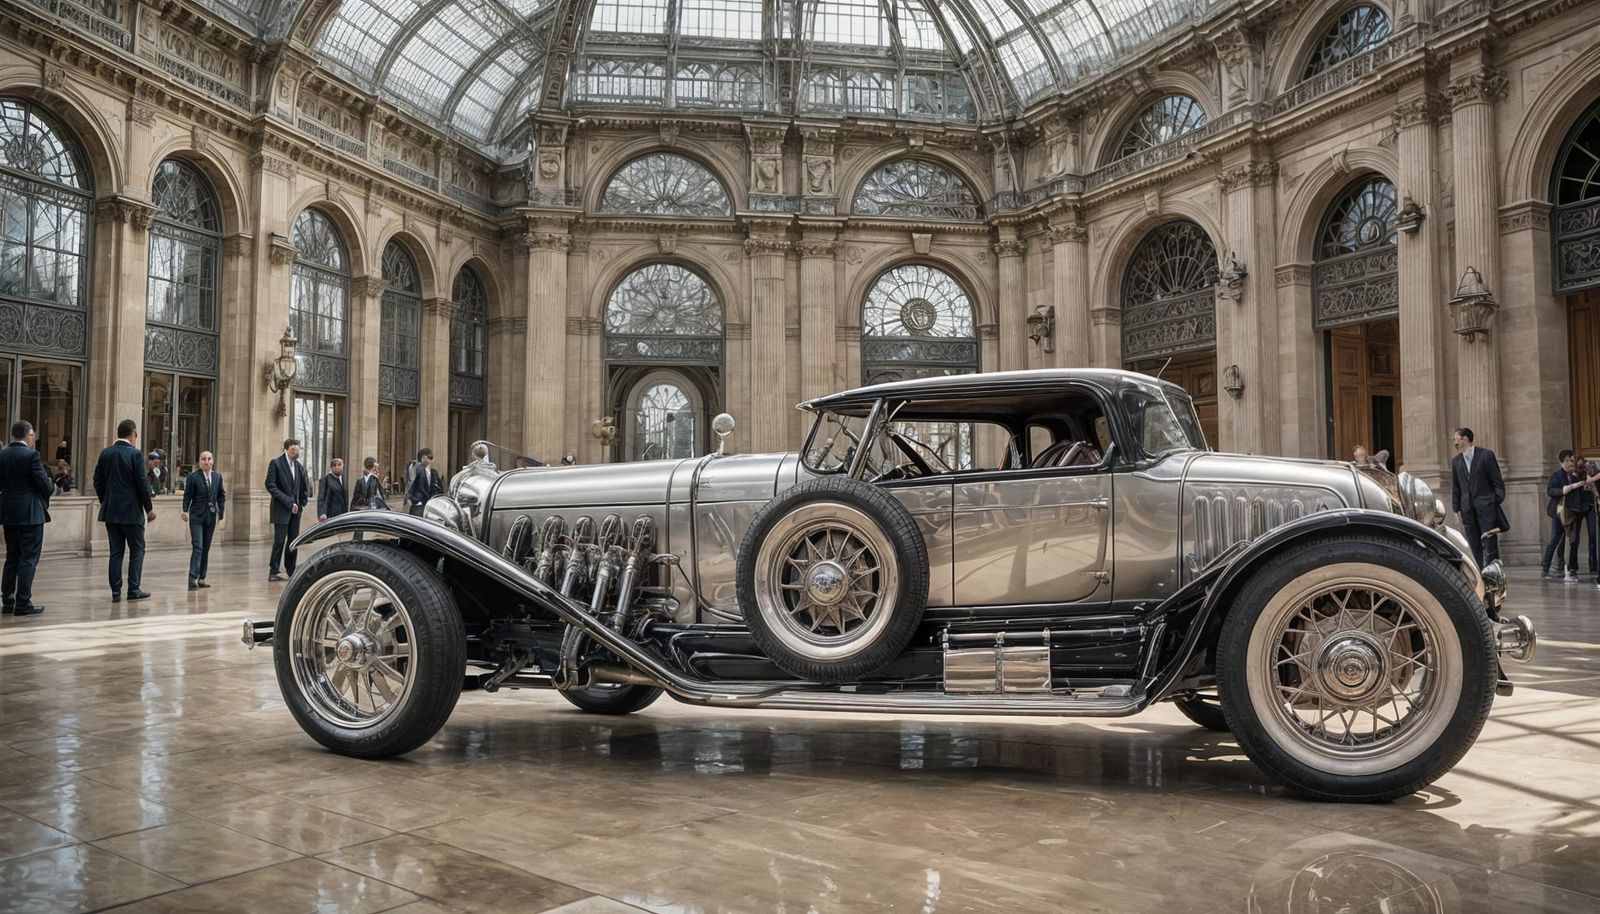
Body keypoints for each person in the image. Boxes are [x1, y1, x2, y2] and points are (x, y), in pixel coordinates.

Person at [93, 419, 155, 602]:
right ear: (133, 434)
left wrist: (107, 500)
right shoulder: (135, 455)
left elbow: (97, 481)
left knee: (116, 551)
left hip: (111, 512)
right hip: (131, 512)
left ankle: (116, 592)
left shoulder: (106, 453)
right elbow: (142, 484)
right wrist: (149, 509)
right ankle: (133, 589)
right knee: (137, 549)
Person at [0, 420, 52, 617]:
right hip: (30, 514)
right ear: (28, 434)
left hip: (8, 514)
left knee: (12, 557)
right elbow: (44, 486)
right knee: (28, 558)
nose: (34, 439)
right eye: (33, 435)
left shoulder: (3, 455)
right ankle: (23, 602)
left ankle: (7, 600)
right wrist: (49, 484)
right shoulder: (32, 456)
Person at [1450, 427, 1506, 567]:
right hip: (1467, 510)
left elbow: (1497, 482)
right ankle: (1481, 573)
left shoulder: (1486, 456)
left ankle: (1493, 572)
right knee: (1474, 543)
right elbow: (1456, 486)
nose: (1455, 443)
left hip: (1486, 507)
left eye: (1457, 439)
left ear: (1465, 439)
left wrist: (1493, 501)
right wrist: (1456, 508)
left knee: (1490, 543)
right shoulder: (1456, 461)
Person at [266, 438, 309, 581]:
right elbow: (270, 485)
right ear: (286, 449)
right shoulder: (276, 464)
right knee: (279, 540)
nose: (295, 452)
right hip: (281, 509)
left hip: (297, 511)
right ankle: (274, 570)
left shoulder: (299, 466)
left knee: (293, 541)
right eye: (292, 450)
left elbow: (304, 486)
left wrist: (302, 502)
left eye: (297, 450)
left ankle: (291, 569)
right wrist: (289, 502)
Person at [180, 450, 224, 591]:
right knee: (198, 547)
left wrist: (220, 511)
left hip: (210, 517)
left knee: (206, 547)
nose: (206, 461)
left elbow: (221, 495)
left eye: (209, 459)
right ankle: (192, 579)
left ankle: (202, 578)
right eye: (203, 459)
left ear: (212, 461)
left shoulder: (217, 477)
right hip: (196, 516)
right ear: (200, 461)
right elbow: (187, 496)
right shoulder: (193, 477)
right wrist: (185, 510)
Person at [1542, 450, 1587, 582]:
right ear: (1564, 461)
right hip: (1559, 513)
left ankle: (1571, 569)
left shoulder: (1574, 475)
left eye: (1572, 460)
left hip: (1573, 512)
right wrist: (1565, 489)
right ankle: (1545, 568)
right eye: (1570, 460)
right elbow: (1551, 491)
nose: (1572, 463)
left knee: (1573, 540)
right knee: (1555, 540)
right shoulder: (1556, 475)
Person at [406, 448, 442, 516]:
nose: (426, 460)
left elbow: (438, 488)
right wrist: (412, 500)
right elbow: (411, 484)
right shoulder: (417, 470)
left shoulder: (434, 473)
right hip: (418, 505)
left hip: (430, 506)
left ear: (431, 460)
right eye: (423, 458)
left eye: (428, 458)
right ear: (420, 460)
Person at [317, 457, 347, 522]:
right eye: (335, 465)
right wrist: (322, 513)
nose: (338, 467)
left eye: (340, 465)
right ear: (332, 468)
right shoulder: (326, 479)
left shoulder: (343, 479)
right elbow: (321, 498)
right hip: (330, 515)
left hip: (342, 514)